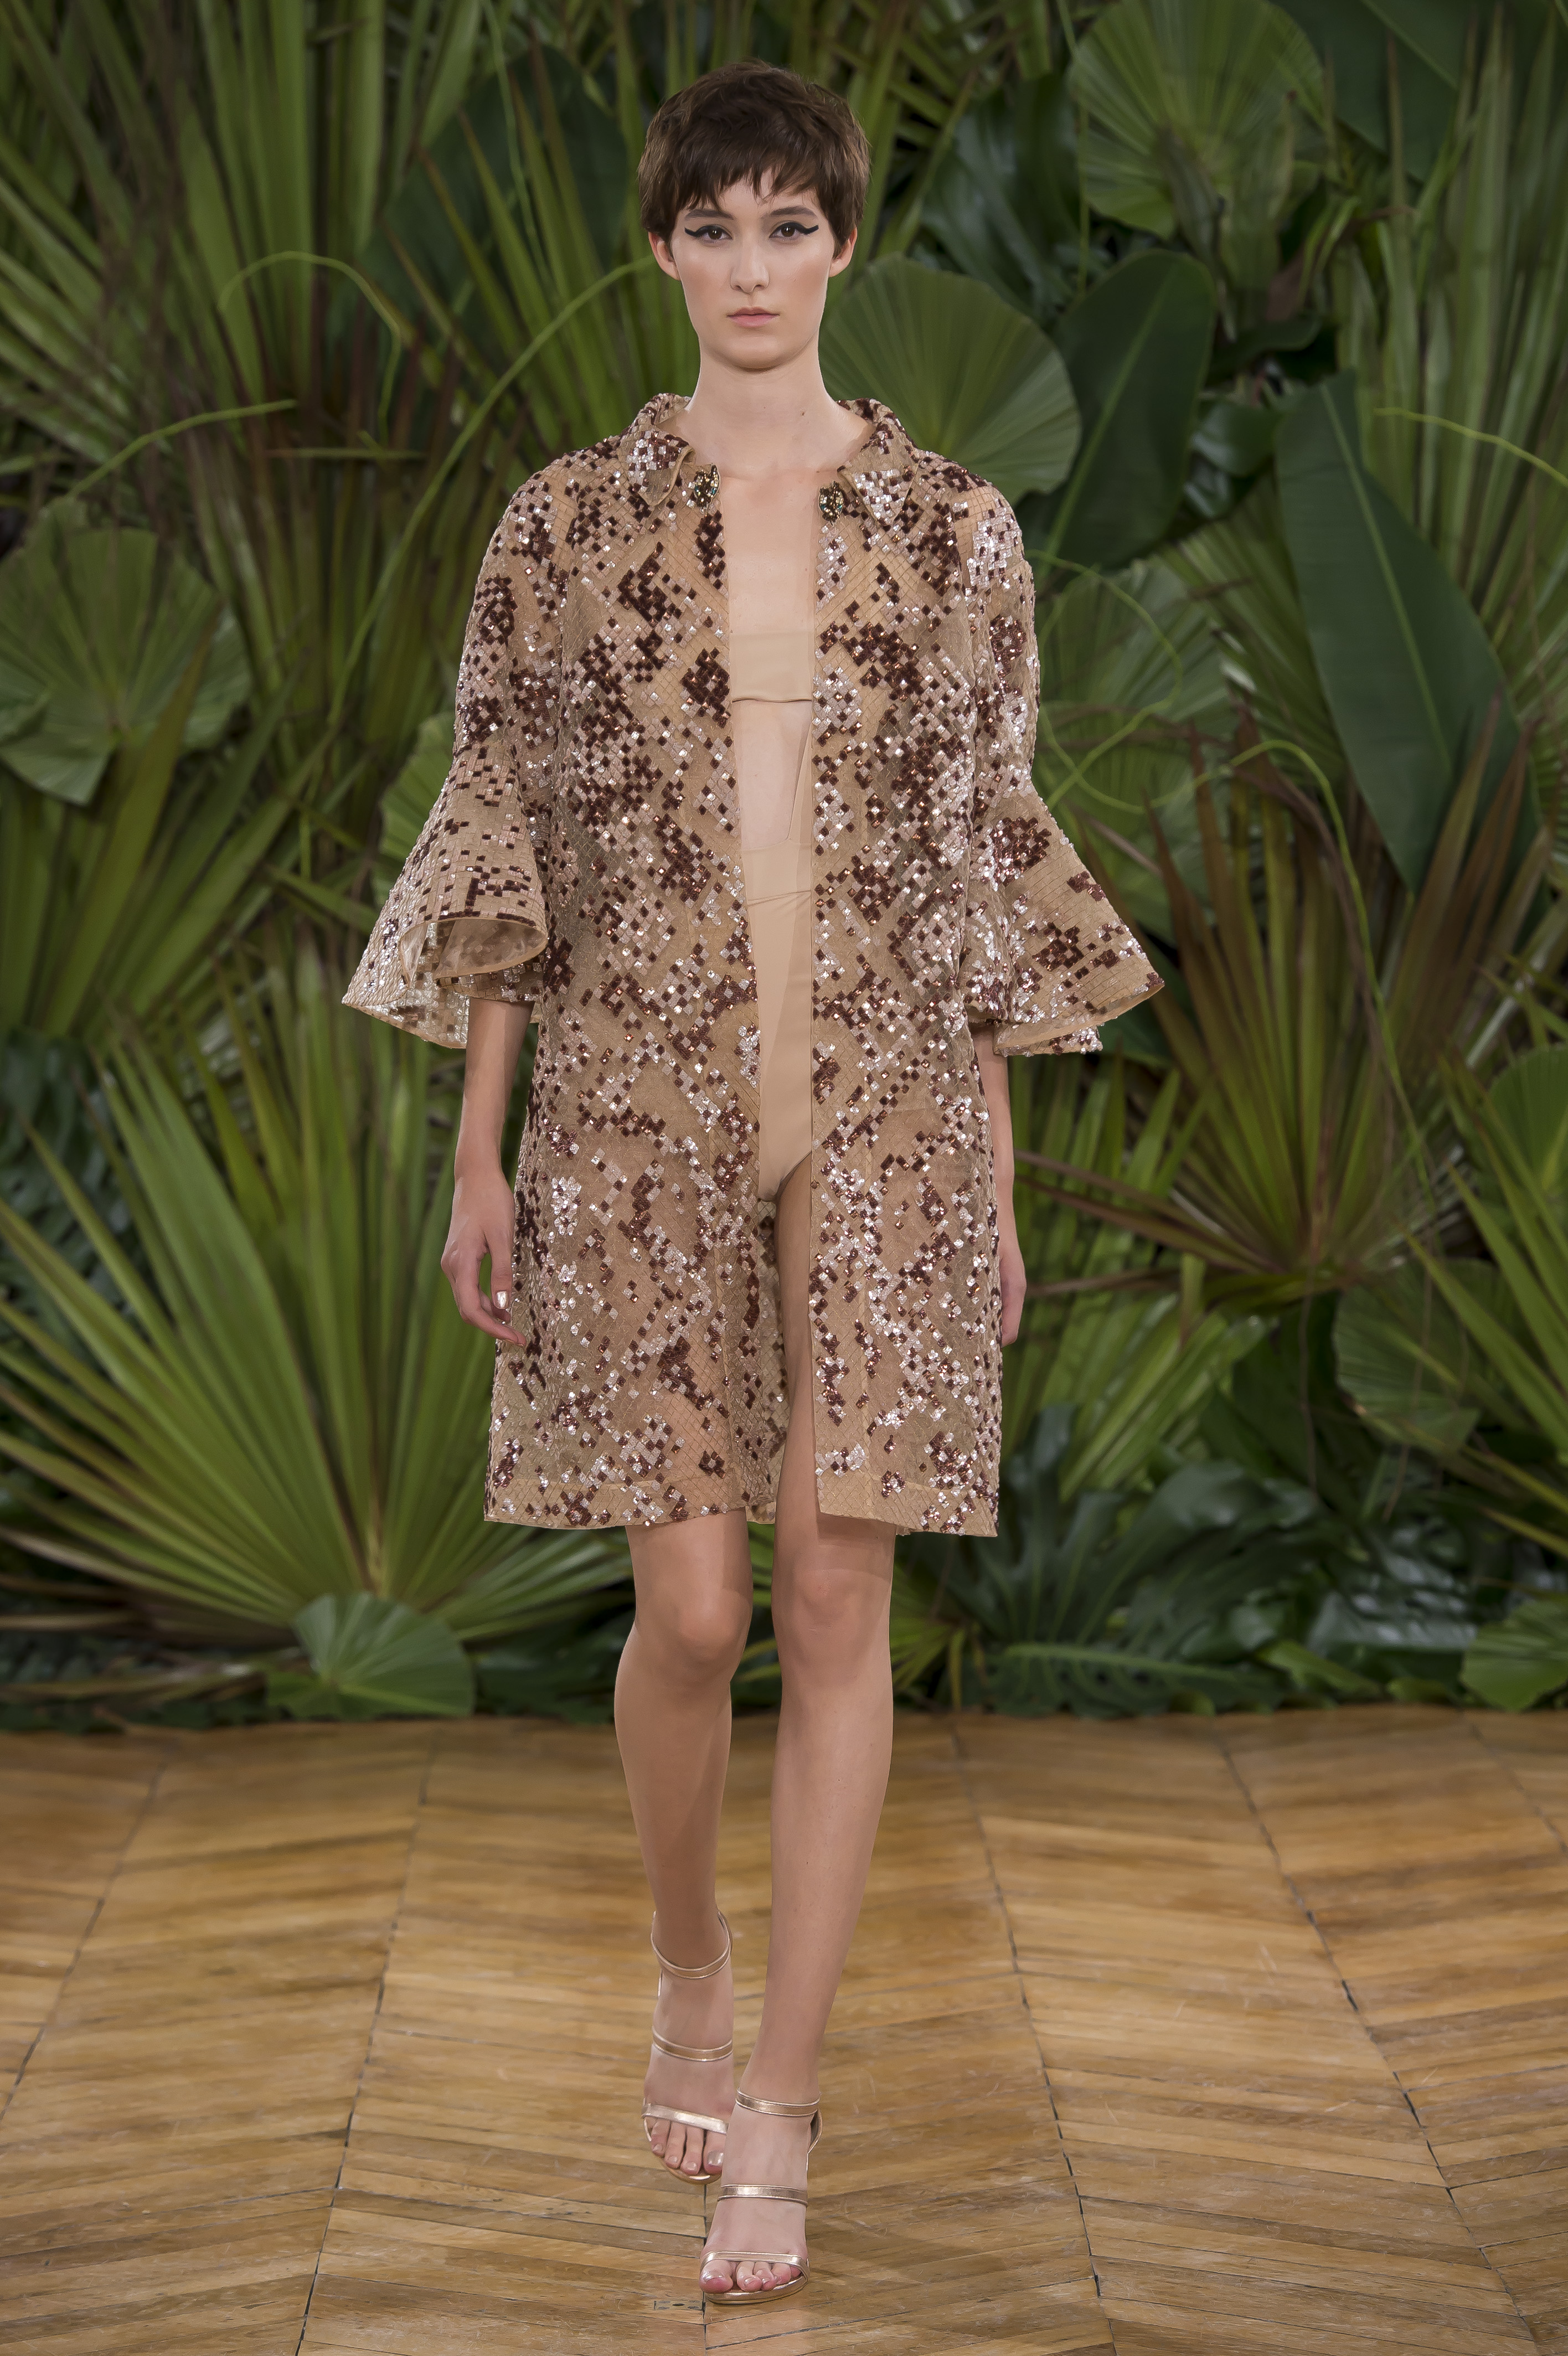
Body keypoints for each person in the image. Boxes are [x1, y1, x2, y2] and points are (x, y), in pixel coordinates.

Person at [345, 58, 1159, 2306]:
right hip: (632, 1099)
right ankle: (689, 1960)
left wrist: (996, 1179)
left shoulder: (959, 532)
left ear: (846, 245)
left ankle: (781, 2111)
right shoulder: (562, 528)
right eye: (713, 228)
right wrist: (479, 1146)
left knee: (833, 1596)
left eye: (790, 225)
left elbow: (983, 864)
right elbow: (507, 832)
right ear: (662, 251)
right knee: (694, 1616)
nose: (751, 267)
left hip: (890, 1103)